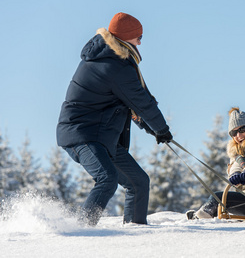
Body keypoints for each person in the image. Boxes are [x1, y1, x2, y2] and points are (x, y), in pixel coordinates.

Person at [56, 12, 173, 226]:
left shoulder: (115, 59)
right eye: (138, 37)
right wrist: (161, 129)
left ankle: (136, 233)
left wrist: (153, 129)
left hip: (102, 135)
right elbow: (141, 101)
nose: (140, 41)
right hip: (82, 134)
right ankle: (81, 229)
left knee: (138, 182)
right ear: (125, 37)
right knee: (106, 179)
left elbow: (129, 103)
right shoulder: (113, 65)